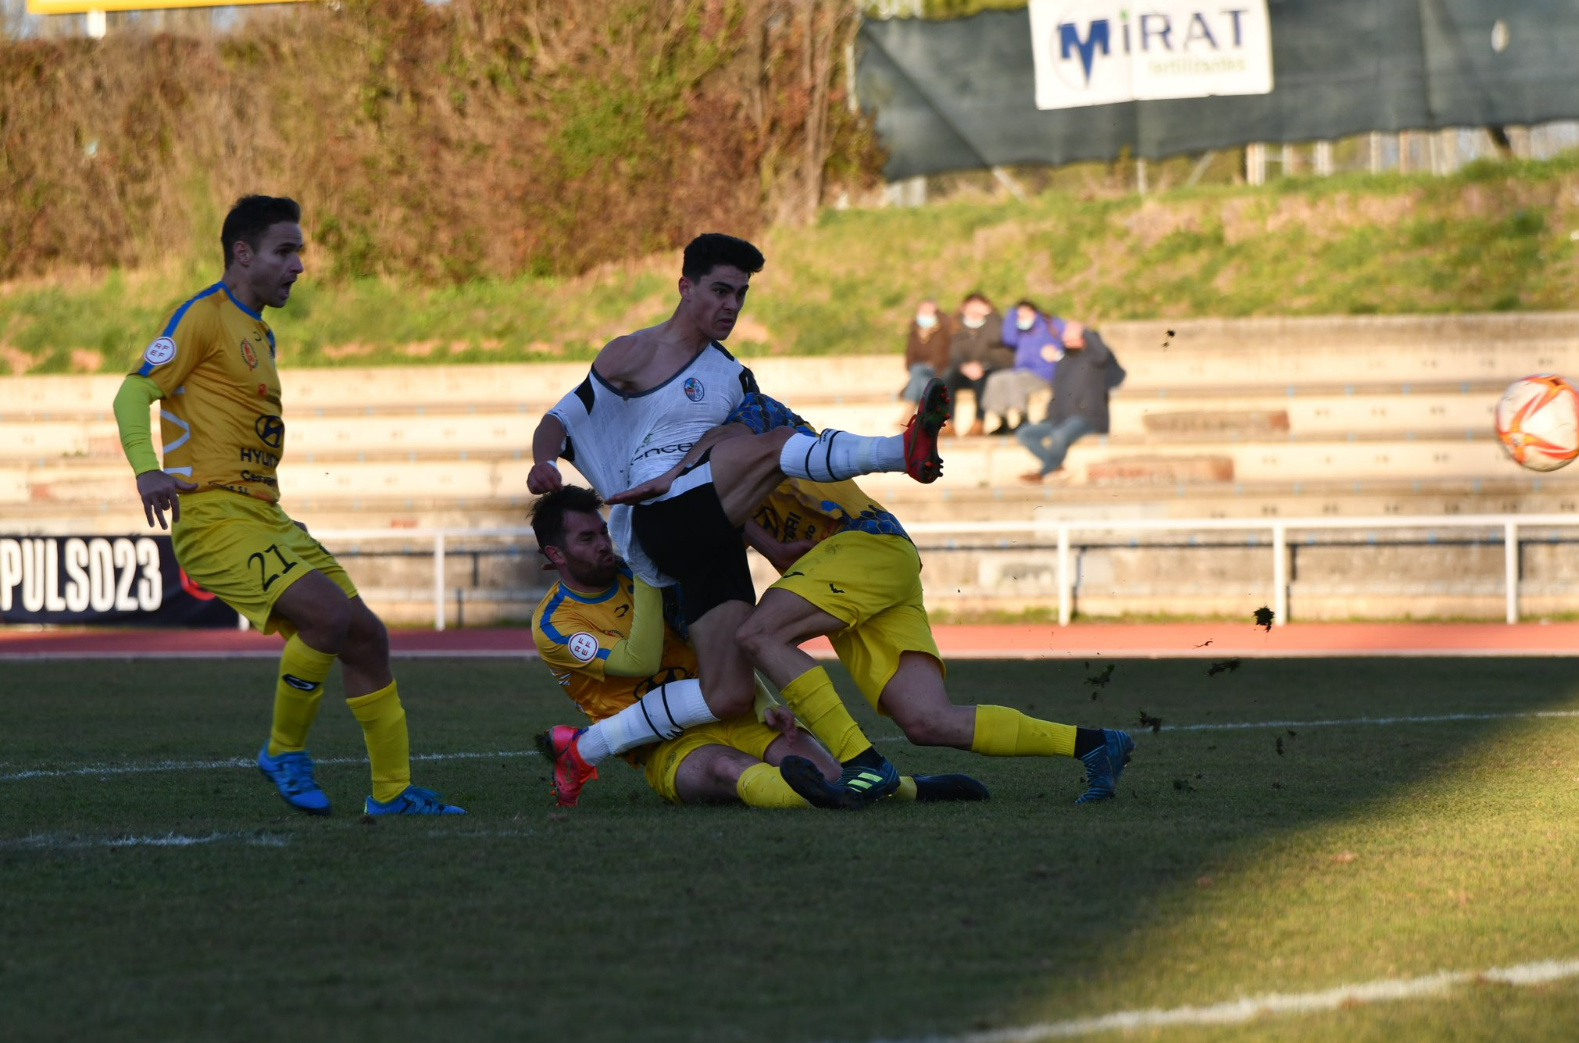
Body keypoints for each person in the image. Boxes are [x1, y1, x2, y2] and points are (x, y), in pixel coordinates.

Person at [525, 233, 951, 807]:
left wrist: (770, 546)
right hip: (664, 518)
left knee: (725, 693)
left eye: (741, 295)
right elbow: (560, 418)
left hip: (710, 530)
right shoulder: (631, 353)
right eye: (720, 290)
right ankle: (901, 454)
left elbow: (728, 478)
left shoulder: (731, 376)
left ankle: (582, 752)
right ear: (685, 287)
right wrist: (543, 462)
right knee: (777, 445)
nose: (731, 305)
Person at [111, 194, 464, 816]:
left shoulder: (260, 333)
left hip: (266, 515)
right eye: (285, 250)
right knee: (325, 618)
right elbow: (131, 392)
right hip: (215, 516)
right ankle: (283, 751)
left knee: (367, 638)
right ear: (242, 254)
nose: (298, 265)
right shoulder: (202, 315)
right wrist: (148, 471)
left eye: (298, 251)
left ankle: (392, 793)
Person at [734, 393, 1135, 805]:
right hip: (867, 561)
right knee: (928, 721)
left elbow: (723, 479)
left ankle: (861, 761)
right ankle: (1094, 744)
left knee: (760, 634)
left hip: (859, 547)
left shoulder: (751, 417)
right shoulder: (719, 445)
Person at [529, 486, 989, 809]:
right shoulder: (557, 622)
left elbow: (715, 643)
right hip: (662, 745)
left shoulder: (639, 575)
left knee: (829, 772)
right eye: (586, 539)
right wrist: (649, 572)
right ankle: (827, 798)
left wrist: (766, 700)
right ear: (556, 555)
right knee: (727, 772)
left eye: (603, 533)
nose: (604, 546)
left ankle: (910, 788)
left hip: (736, 711)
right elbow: (640, 661)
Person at [1016, 322, 1124, 483]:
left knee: (1058, 436)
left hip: (1087, 418)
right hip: (1060, 417)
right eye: (1067, 341)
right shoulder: (1064, 360)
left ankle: (1044, 472)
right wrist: (1050, 415)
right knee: (1025, 434)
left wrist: (1084, 330)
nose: (1069, 343)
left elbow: (1101, 352)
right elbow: (1057, 391)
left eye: (1073, 339)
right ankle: (1055, 465)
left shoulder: (1095, 360)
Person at [982, 301, 1070, 435]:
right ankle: (1002, 418)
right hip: (1022, 372)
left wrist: (1058, 352)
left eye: (1024, 313)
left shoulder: (1050, 325)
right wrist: (1012, 313)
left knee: (1014, 380)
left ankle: (1022, 418)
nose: (1021, 317)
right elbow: (1008, 338)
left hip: (1043, 374)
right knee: (995, 379)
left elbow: (1071, 335)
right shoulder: (1021, 332)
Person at [941, 292, 1010, 436]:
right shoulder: (956, 326)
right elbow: (954, 353)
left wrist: (990, 315)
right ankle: (949, 423)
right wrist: (964, 367)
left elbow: (997, 338)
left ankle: (979, 422)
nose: (974, 310)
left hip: (990, 368)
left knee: (982, 381)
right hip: (965, 370)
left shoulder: (994, 323)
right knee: (947, 379)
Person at [901, 298, 952, 420]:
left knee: (918, 373)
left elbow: (945, 353)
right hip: (920, 371)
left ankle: (909, 410)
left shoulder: (943, 329)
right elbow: (910, 355)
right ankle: (922, 416)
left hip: (939, 369)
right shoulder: (914, 332)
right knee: (922, 380)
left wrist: (933, 363)